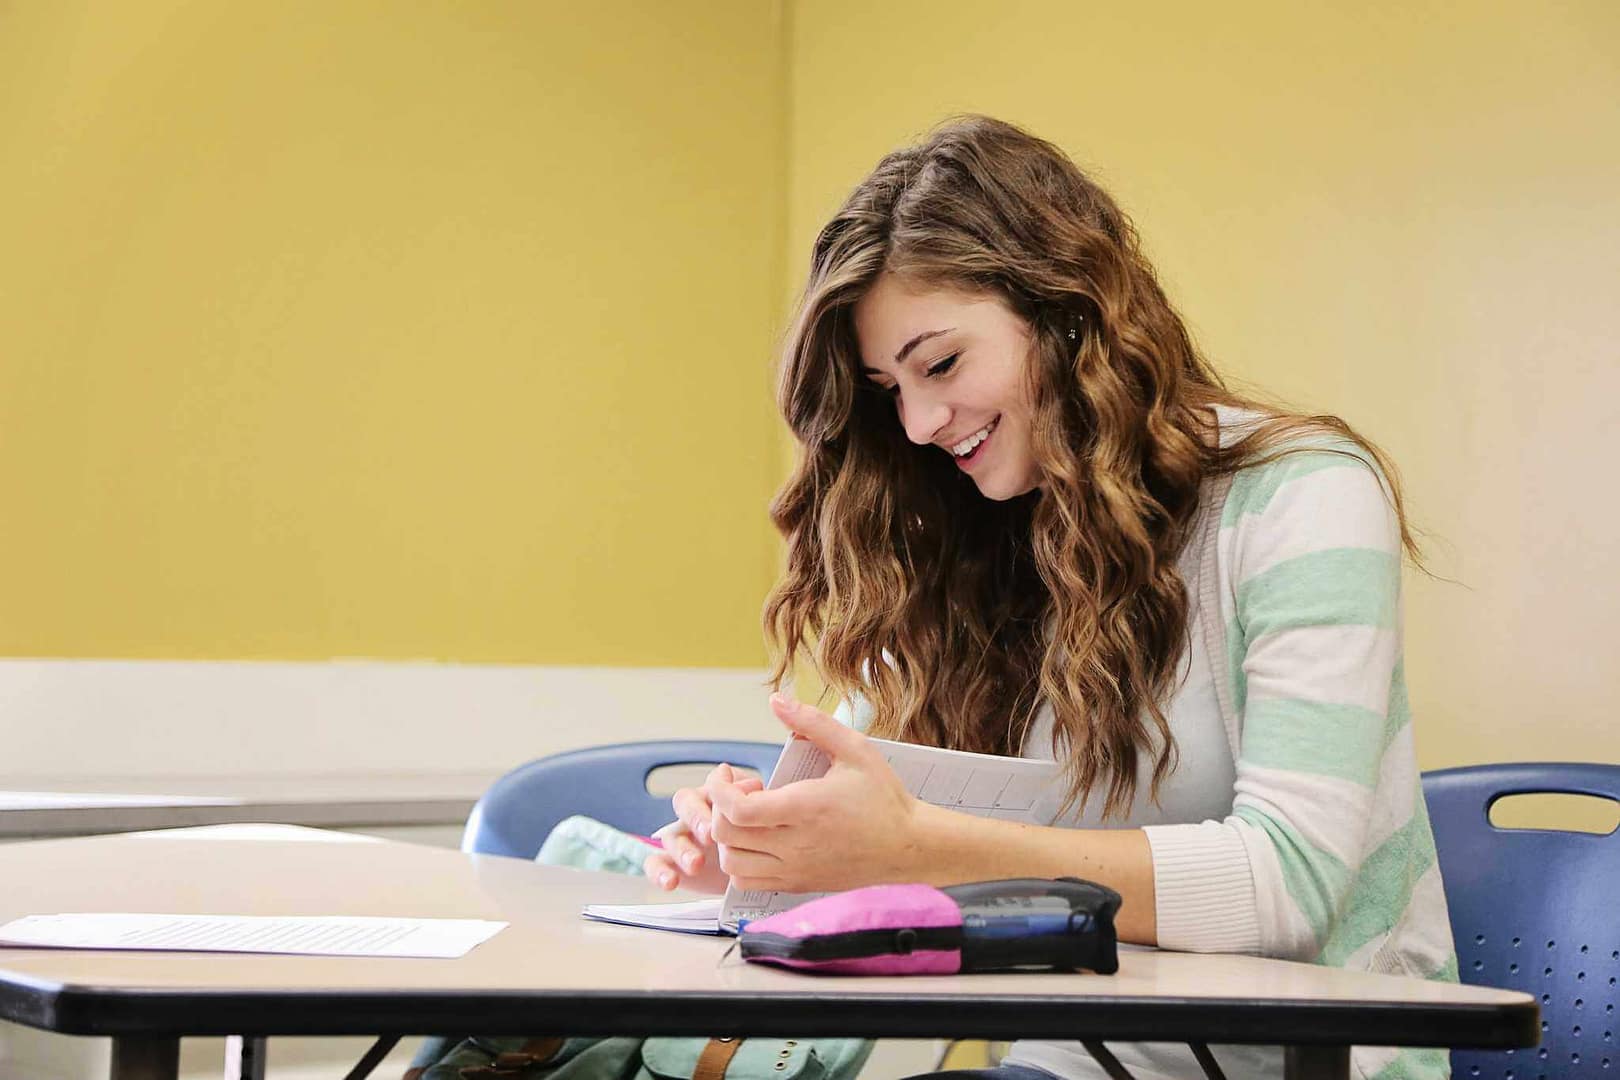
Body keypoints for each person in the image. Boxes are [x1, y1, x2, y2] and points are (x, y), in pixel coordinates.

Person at [644, 116, 1457, 1080]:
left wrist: (913, 846)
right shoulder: (986, 535)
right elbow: (885, 812)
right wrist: (770, 853)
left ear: (1071, 312)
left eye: (941, 364)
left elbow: (1287, 884)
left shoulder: (1305, 496)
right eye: (889, 388)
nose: (919, 423)